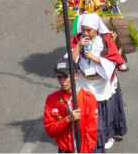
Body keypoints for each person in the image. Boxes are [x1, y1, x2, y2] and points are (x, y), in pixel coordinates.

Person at [70, 13, 128, 151]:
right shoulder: (78, 39)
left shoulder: (105, 40)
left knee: (103, 113)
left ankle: (107, 136)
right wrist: (78, 46)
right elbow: (70, 60)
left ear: (96, 29)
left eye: (89, 30)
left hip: (101, 83)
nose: (85, 33)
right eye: (83, 29)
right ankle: (88, 136)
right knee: (88, 113)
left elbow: (113, 60)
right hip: (85, 83)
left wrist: (94, 58)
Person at [43, 61, 98, 153]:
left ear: (75, 76)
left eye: (65, 77)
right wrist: (67, 120)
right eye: (59, 77)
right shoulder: (51, 99)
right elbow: (51, 131)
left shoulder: (88, 99)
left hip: (84, 150)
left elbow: (91, 132)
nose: (62, 81)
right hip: (64, 150)